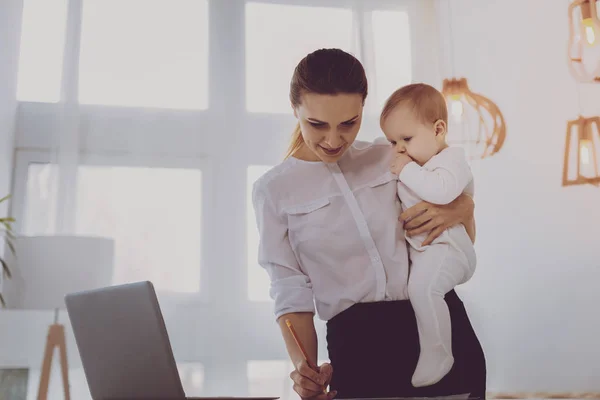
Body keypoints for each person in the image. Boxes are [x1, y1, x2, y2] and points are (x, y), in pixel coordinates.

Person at [252, 48, 486, 399]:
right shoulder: (274, 191)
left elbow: (456, 216)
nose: (333, 140)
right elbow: (289, 291)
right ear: (295, 110)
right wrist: (306, 368)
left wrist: (464, 207)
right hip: (360, 349)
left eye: (349, 123)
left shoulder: (391, 155)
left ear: (364, 107)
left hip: (440, 330)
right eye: (317, 124)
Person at [381, 83, 477, 387]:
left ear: (438, 130)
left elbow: (442, 191)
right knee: (418, 288)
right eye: (392, 141)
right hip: (429, 251)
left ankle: (439, 352)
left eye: (406, 139)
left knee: (424, 289)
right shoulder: (417, 164)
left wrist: (406, 170)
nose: (399, 148)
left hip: (450, 250)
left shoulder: (451, 160)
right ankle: (434, 348)